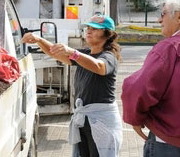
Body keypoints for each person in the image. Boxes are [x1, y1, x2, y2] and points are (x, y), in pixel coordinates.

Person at [121, 0, 180, 156]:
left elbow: (139, 88)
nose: (160, 20)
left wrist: (134, 118)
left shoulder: (169, 48)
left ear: (179, 16)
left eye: (163, 13)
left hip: (169, 143)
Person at [22, 14, 122, 157]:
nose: (89, 31)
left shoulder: (108, 56)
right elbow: (56, 54)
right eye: (88, 27)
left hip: (101, 122)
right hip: (85, 119)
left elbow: (99, 67)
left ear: (108, 34)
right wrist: (39, 40)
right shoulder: (86, 54)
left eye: (95, 29)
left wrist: (73, 53)